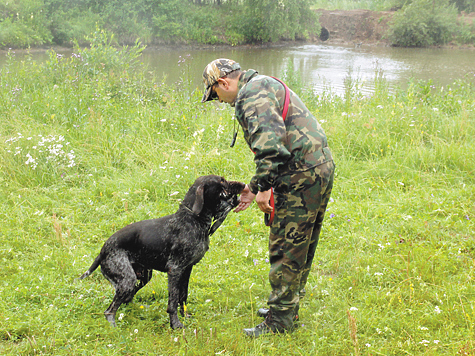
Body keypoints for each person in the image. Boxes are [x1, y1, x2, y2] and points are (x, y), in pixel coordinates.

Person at [201, 58, 335, 337]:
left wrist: (263, 188)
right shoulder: (263, 83)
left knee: (285, 246)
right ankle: (286, 307)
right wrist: (255, 185)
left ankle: (280, 322)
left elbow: (271, 149)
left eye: (216, 95)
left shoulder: (250, 96)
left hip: (299, 175)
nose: (220, 101)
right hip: (317, 167)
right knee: (302, 242)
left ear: (224, 83)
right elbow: (279, 141)